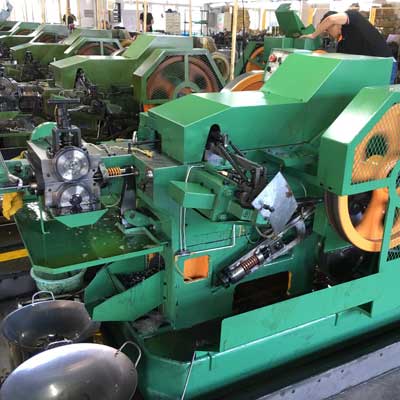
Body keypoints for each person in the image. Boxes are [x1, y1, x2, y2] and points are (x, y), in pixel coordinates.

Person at [301, 10, 396, 83]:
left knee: (380, 98)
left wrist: (313, 35)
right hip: (370, 68)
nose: (328, 33)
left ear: (335, 24)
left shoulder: (354, 18)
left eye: (327, 29)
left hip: (385, 65)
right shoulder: (342, 43)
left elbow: (330, 19)